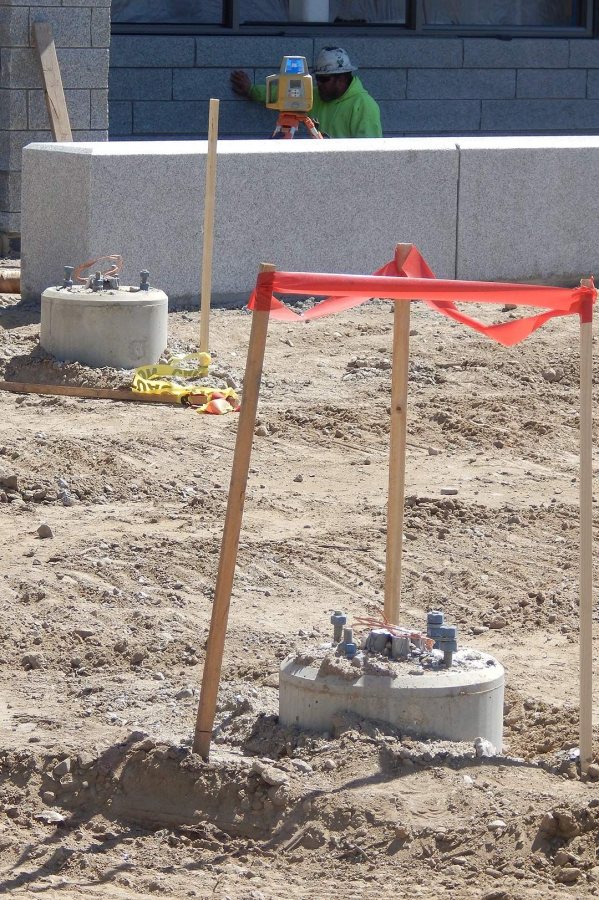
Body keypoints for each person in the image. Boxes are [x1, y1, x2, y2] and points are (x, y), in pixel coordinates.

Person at [230, 46, 382, 138]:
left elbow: (370, 157)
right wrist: (251, 90)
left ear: (341, 78)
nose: (319, 84)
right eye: (317, 79)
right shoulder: (315, 96)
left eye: (324, 79)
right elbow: (281, 93)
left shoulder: (363, 106)